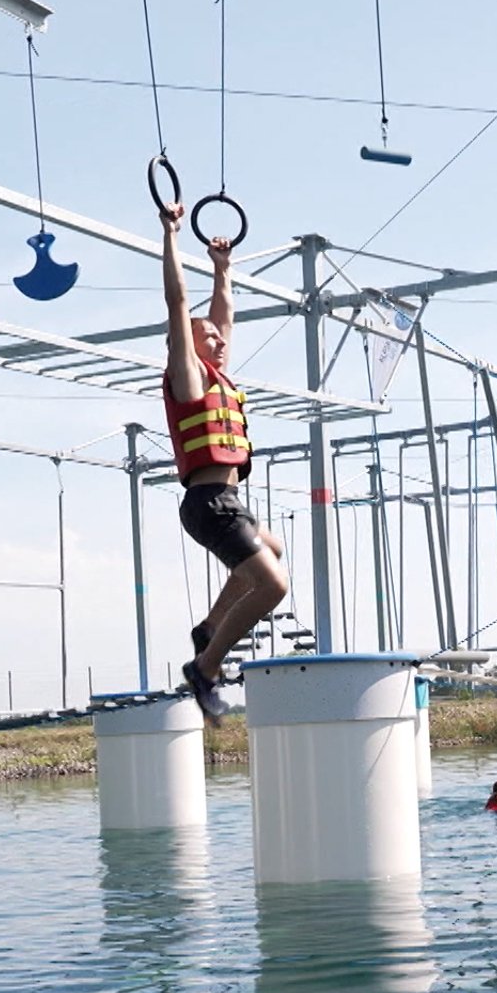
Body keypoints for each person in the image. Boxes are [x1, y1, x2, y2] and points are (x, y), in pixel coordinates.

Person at [159, 202, 291, 722]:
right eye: (205, 335)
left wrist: (223, 268)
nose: (217, 337)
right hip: (209, 502)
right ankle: (206, 668)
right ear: (184, 346)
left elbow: (225, 313)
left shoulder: (217, 376)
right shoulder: (187, 379)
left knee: (272, 549)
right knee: (273, 585)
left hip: (226, 500)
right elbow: (177, 299)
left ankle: (211, 626)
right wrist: (171, 234)